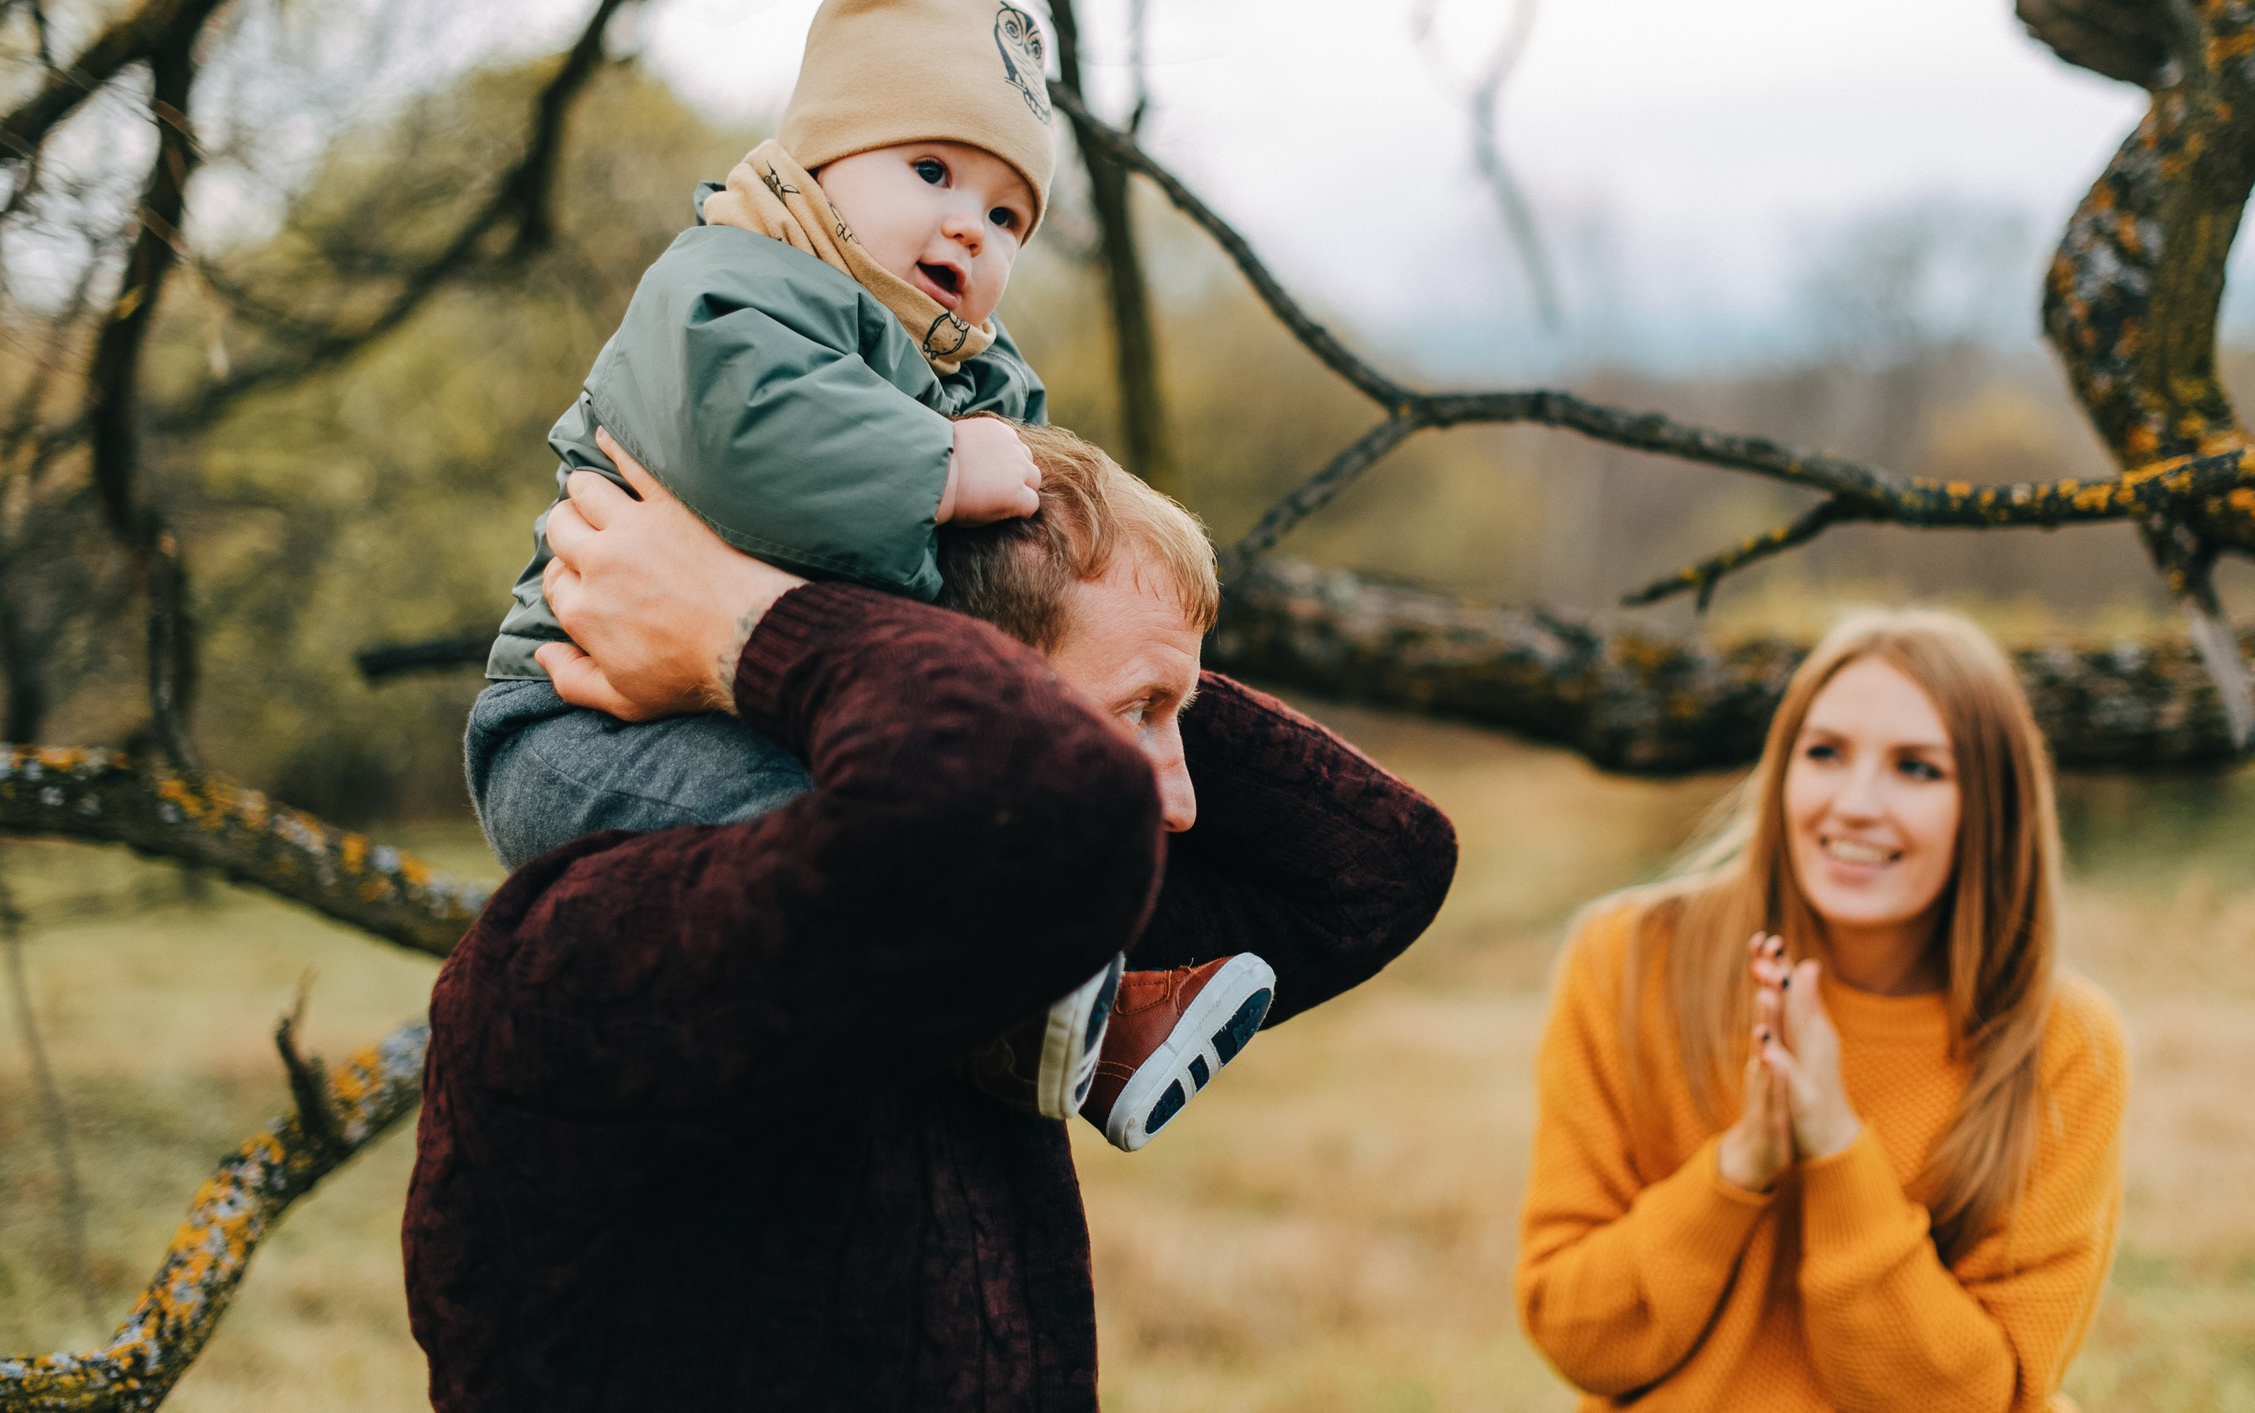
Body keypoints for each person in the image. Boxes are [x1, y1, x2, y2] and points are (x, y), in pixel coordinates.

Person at [404, 425, 1458, 1412]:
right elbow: (1014, 786)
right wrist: (756, 627)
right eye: (1136, 715)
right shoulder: (580, 953)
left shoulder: (991, 937)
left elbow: (1377, 866)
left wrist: (1110, 642)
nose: (1178, 800)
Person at [464, 0, 1267, 1148]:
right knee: (824, 830)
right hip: (575, 726)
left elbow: (1022, 557)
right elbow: (749, 437)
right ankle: (1046, 1003)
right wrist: (937, 468)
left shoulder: (970, 371)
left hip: (754, 702)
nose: (968, 224)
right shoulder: (729, 286)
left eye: (1007, 214)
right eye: (931, 169)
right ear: (817, 160)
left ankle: (1085, 1029)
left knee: (933, 816)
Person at [1516, 609, 2127, 1411]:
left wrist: (1838, 1149)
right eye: (1825, 753)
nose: (1856, 803)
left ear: (1991, 804)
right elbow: (1575, 1331)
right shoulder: (1628, 960)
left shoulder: (2060, 1043)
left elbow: (1982, 1396)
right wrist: (1739, 1166)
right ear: (1781, 771)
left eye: (1917, 768)